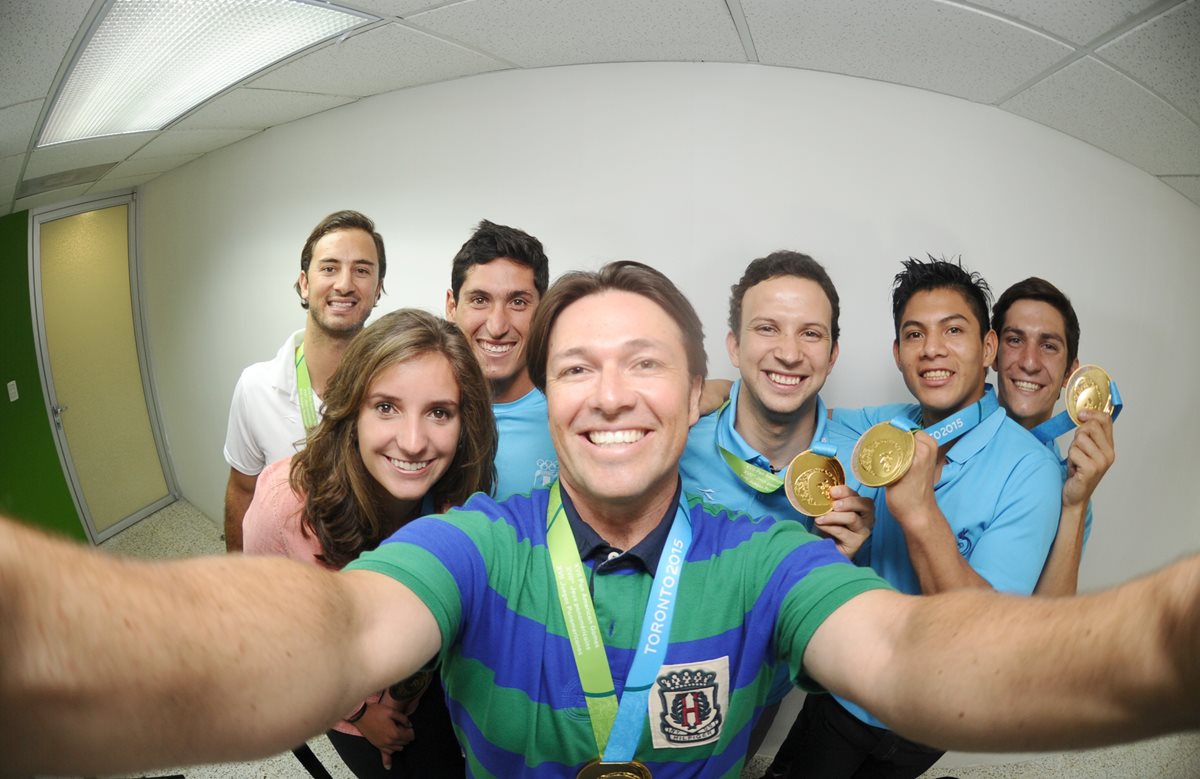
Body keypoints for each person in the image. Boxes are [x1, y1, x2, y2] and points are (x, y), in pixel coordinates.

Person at [3, 262, 1199, 779]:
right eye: (578, 366)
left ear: (695, 395)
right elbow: (334, 627)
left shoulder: (764, 551)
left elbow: (909, 650)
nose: (613, 391)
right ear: (544, 394)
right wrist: (42, 624)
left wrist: (1165, 634)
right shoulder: (478, 537)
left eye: (645, 363)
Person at [764, 256, 1064, 779]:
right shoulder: (880, 428)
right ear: (898, 353)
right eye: (914, 334)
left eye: (954, 330)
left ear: (988, 348)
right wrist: (715, 392)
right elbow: (789, 418)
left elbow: (983, 638)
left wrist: (919, 512)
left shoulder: (1032, 471)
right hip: (845, 689)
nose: (931, 349)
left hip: (929, 718)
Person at [243, 309, 494, 777]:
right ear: (351, 410)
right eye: (386, 407)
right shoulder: (285, 508)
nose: (413, 442)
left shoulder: (457, 496)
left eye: (439, 412)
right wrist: (358, 713)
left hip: (429, 673)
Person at [678, 252, 875, 758]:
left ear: (833, 354)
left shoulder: (861, 472)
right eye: (767, 328)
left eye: (811, 333)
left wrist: (840, 564)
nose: (789, 353)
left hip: (764, 690)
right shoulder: (677, 438)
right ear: (734, 345)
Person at [224, 210, 387, 551]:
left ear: (378, 289)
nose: (344, 284)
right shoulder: (256, 388)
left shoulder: (398, 389)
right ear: (304, 283)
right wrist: (237, 574)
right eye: (329, 268)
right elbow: (242, 490)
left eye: (362, 270)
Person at [992, 277, 1116, 596]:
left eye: (1048, 346)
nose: (1029, 362)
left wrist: (1075, 506)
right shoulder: (944, 438)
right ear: (991, 352)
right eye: (1015, 340)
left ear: (1070, 374)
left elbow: (1048, 615)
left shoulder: (1070, 490)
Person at [444, 219, 557, 498]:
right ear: (452, 307)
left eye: (518, 302)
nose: (497, 327)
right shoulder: (421, 408)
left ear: (543, 311)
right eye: (480, 300)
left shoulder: (568, 412)